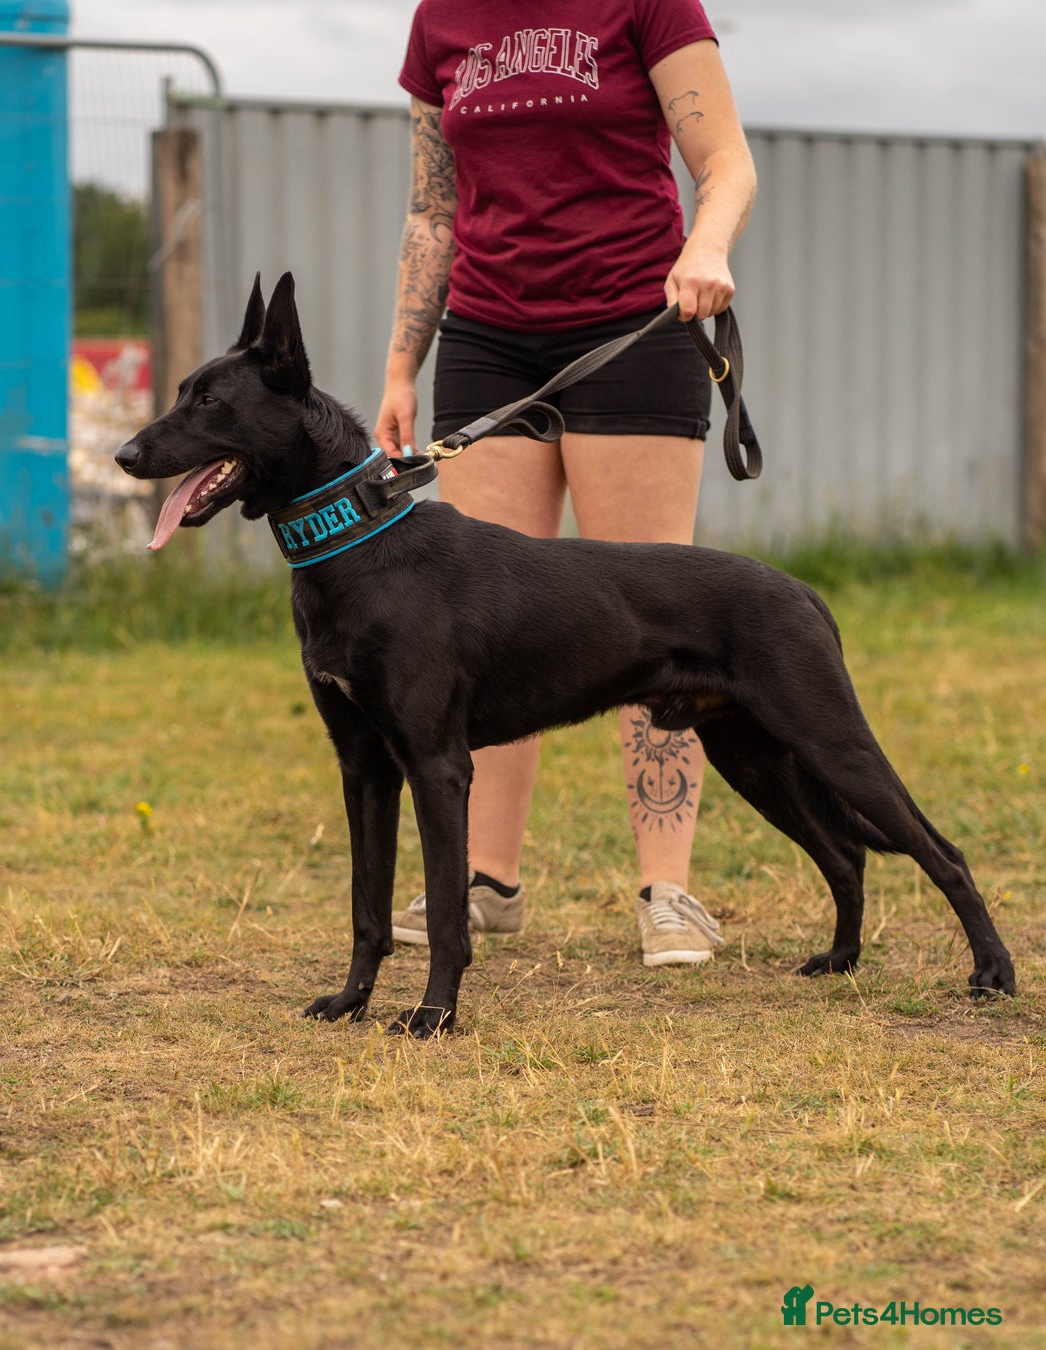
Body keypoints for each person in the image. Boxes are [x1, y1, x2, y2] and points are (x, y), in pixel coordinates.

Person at [374, 0, 757, 967]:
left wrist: (705, 247)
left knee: (655, 612)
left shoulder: (649, 3)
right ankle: (483, 884)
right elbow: (432, 209)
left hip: (631, 326)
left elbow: (725, 164)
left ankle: (667, 892)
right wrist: (398, 368)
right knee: (476, 627)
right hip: (487, 343)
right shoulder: (440, 20)